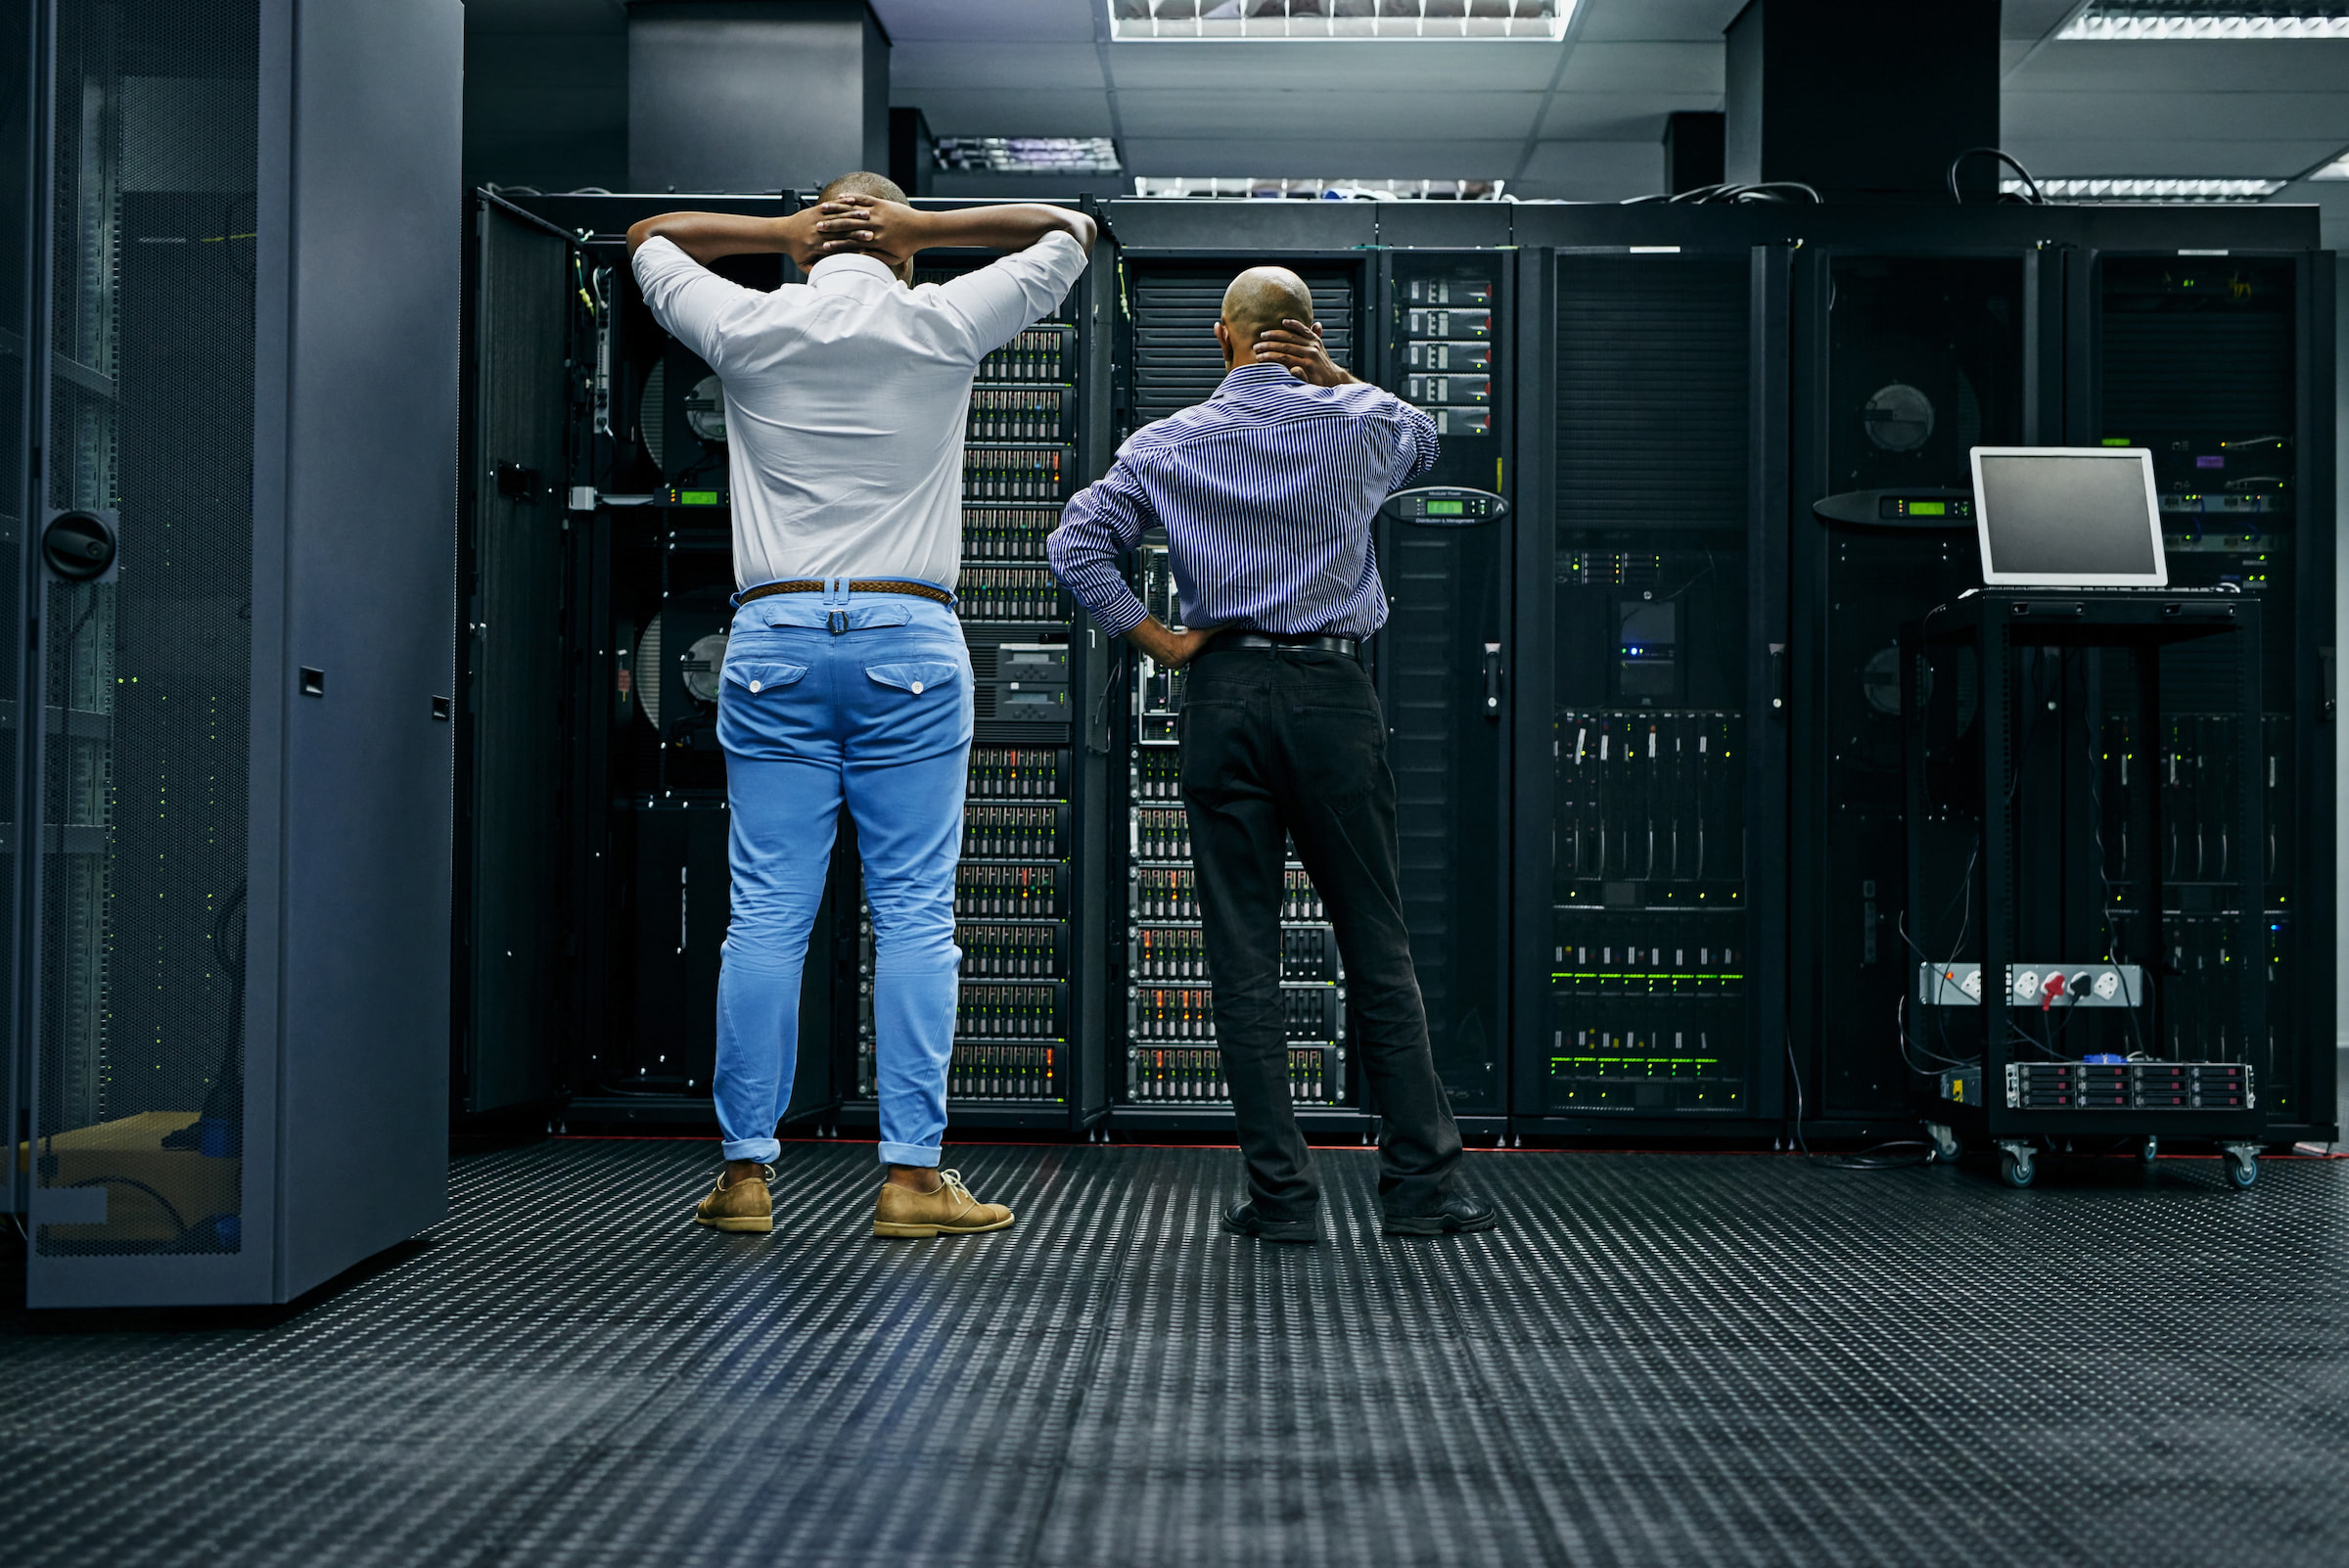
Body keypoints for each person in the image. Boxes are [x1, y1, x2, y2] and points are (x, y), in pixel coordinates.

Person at [627, 174, 1095, 1240]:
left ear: (808, 253)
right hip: (907, 641)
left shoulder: (746, 321)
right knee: (916, 917)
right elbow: (1071, 234)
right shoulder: (939, 318)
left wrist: (775, 231)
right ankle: (913, 1183)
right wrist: (925, 228)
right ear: (906, 252)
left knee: (766, 919)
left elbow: (649, 234)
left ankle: (745, 1179)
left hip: (773, 640)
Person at [1047, 267, 1497, 1243]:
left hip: (1222, 695)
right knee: (1374, 940)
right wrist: (1336, 379)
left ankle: (1284, 1199)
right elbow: (1427, 437)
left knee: (1242, 954)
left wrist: (1159, 640)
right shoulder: (1358, 423)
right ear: (1305, 335)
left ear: (1224, 339)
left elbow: (1076, 544)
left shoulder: (1165, 443)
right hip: (1333, 695)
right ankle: (1423, 1189)